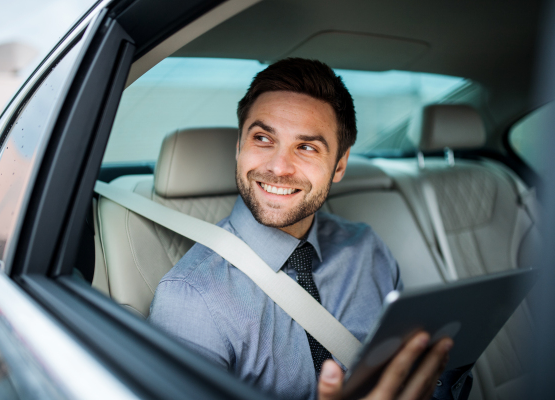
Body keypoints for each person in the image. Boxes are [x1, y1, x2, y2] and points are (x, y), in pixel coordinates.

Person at [148, 58, 471, 400]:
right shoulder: (191, 298)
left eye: (306, 147)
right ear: (239, 147)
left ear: (340, 165)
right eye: (262, 138)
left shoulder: (366, 249)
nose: (278, 166)